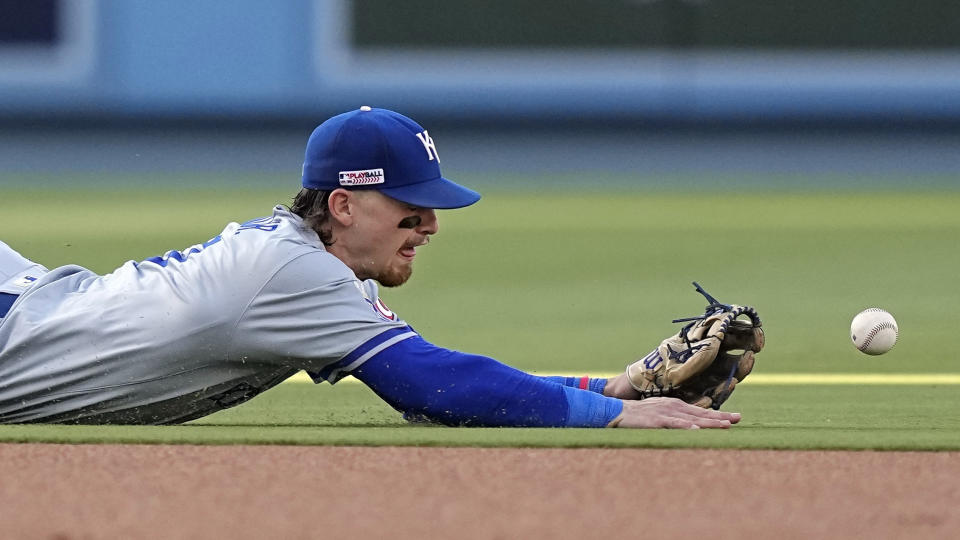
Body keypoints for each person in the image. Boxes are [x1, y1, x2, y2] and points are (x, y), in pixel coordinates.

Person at [0, 107, 740, 429]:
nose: (428, 224)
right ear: (344, 206)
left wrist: (602, 386)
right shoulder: (295, 276)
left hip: (34, 303)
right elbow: (436, 386)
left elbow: (431, 385)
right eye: (409, 206)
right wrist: (615, 412)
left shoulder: (314, 271)